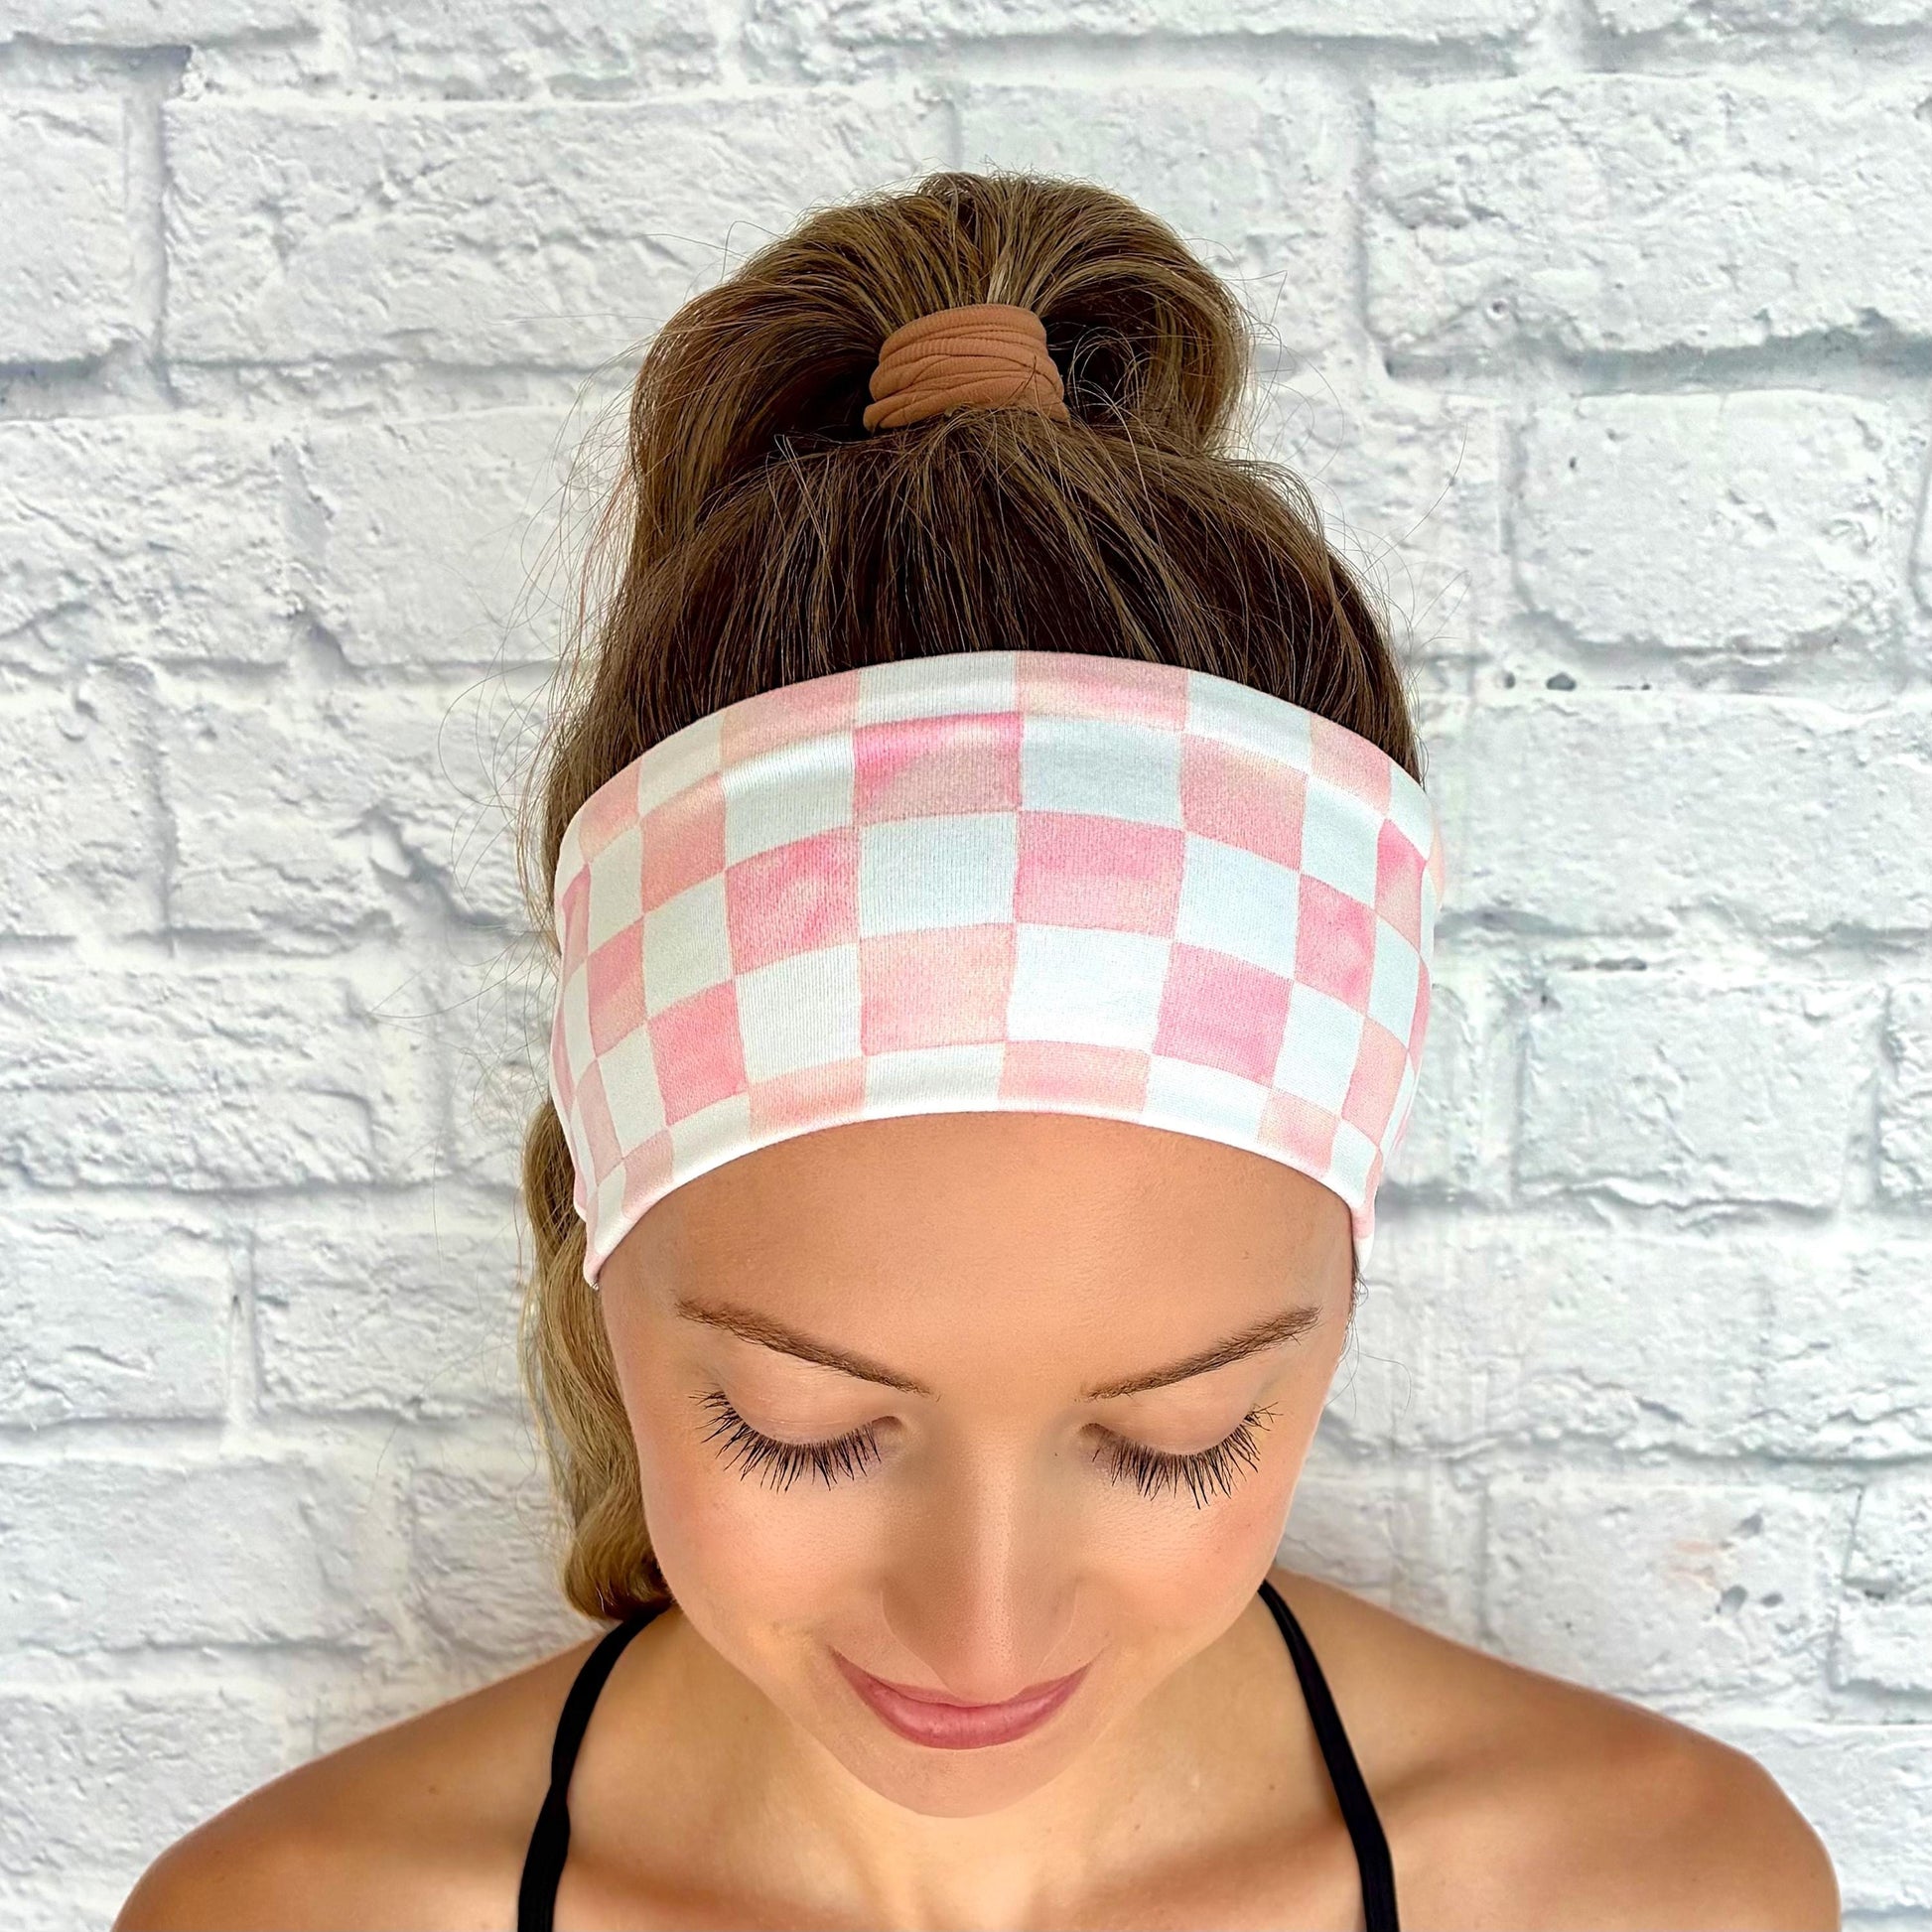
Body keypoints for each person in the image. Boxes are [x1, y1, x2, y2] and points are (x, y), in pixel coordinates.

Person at [116, 170, 1839, 1932]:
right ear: (596, 1250)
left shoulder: (1649, 1895)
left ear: (1337, 1302)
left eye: (1176, 1439)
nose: (981, 1632)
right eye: (799, 1431)